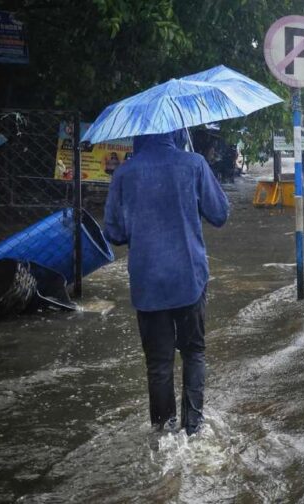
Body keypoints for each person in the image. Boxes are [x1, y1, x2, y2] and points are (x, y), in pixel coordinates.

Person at [103, 130, 229, 437]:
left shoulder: (124, 173)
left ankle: (163, 435)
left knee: (158, 365)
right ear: (175, 131)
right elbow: (221, 214)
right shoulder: (194, 164)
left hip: (148, 284)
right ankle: (194, 430)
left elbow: (114, 233)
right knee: (193, 353)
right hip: (189, 279)